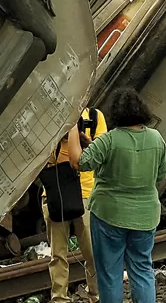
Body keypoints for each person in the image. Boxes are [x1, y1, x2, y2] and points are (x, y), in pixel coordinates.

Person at [79, 88, 166, 303]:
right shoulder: (156, 138)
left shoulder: (110, 139)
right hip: (145, 216)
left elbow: (83, 163)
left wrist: (80, 140)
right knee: (142, 269)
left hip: (109, 214)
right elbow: (161, 174)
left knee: (110, 274)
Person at [46, 108, 106, 303]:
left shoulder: (95, 118)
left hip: (87, 193)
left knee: (93, 252)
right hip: (57, 193)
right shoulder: (50, 117)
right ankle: (59, 299)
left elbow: (102, 152)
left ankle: (95, 295)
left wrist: (78, 137)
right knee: (58, 255)